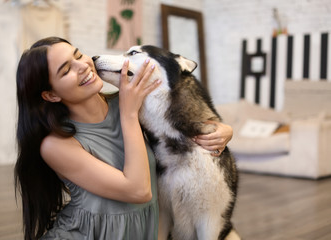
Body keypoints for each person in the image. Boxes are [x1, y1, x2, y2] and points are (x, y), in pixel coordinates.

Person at [14, 36, 233, 240]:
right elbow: (138, 191)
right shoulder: (55, 145)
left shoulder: (132, 101)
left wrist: (224, 130)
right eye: (66, 70)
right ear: (51, 95)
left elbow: (183, 119)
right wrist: (128, 114)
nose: (83, 66)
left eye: (78, 55)